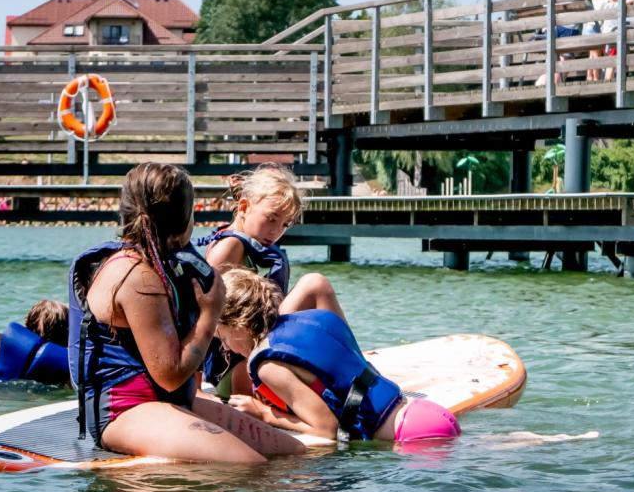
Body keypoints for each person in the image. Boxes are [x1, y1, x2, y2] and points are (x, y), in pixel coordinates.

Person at [69, 162, 307, 464]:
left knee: (294, 453)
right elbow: (169, 375)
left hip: (164, 400)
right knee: (252, 467)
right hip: (125, 409)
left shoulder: (161, 262)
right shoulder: (136, 276)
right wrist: (211, 312)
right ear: (184, 217)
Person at [216, 268, 460, 447]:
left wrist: (263, 413)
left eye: (223, 336)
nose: (225, 346)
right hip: (425, 412)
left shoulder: (267, 366)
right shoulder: (315, 319)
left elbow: (326, 430)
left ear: (239, 323)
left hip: (410, 436)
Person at [198, 163, 345, 397]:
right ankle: (348, 364)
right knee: (315, 285)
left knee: (315, 288)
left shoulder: (250, 245)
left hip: (258, 354)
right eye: (271, 218)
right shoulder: (230, 247)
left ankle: (345, 358)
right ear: (244, 206)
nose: (276, 230)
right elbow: (208, 318)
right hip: (236, 369)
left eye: (285, 224)